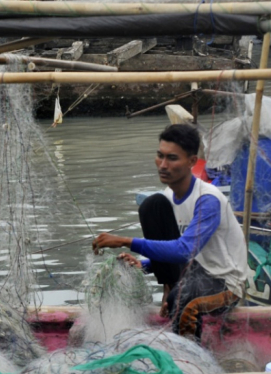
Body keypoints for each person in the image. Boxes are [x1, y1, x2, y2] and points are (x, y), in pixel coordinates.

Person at [92, 124, 247, 342]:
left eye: (172, 158)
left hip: (225, 281)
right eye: (160, 156)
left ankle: (190, 359)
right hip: (195, 270)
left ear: (192, 162)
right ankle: (170, 286)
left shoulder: (207, 200)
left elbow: (184, 250)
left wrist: (125, 241)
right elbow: (178, 248)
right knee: (152, 205)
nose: (163, 165)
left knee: (183, 301)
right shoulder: (168, 195)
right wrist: (145, 265)